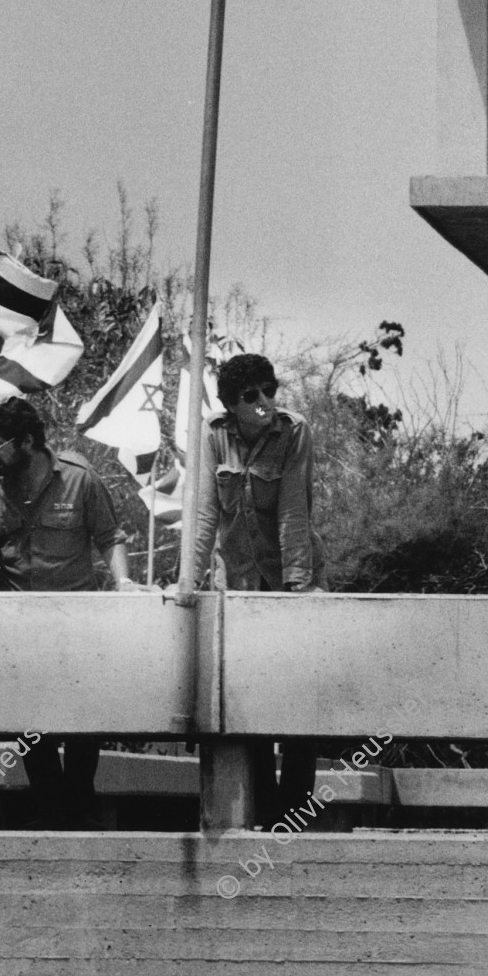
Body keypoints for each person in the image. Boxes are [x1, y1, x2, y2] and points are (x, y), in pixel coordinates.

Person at [0, 396, 137, 830]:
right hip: (19, 623)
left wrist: (123, 583)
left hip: (76, 621)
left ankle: (80, 802)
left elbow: (110, 536)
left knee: (84, 718)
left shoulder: (79, 478)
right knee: (29, 719)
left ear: (26, 442)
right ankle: (48, 802)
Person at [192, 351, 324, 827]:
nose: (265, 402)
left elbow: (293, 512)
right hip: (240, 584)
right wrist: (189, 578)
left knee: (296, 697)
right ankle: (263, 810)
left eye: (270, 390)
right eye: (252, 396)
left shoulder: (293, 431)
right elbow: (206, 513)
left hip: (291, 578)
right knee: (247, 696)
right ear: (232, 405)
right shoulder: (213, 436)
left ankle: (294, 814)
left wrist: (297, 589)